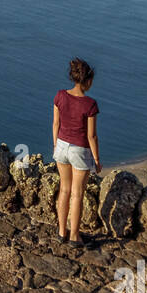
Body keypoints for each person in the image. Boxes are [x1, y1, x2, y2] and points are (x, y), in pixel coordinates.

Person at [52, 58, 102, 246]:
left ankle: (61, 231)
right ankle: (74, 236)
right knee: (77, 193)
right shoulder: (90, 104)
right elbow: (92, 136)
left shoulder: (60, 96)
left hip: (62, 147)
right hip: (80, 150)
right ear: (88, 80)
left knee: (64, 190)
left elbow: (56, 123)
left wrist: (56, 145)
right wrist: (97, 160)